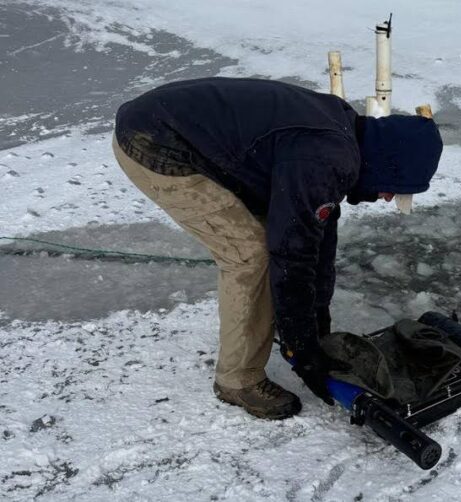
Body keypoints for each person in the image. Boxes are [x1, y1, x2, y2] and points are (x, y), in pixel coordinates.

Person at [112, 77, 442, 419]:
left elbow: (319, 234)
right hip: (156, 142)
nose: (388, 197)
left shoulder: (345, 132)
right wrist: (302, 347)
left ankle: (268, 330)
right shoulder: (325, 158)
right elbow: (292, 255)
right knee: (249, 255)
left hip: (174, 122)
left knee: (280, 234)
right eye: (396, 187)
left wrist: (317, 316)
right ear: (389, 162)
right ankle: (238, 380)